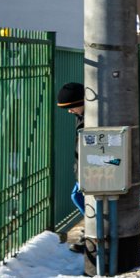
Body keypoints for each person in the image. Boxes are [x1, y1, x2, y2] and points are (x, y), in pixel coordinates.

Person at [56, 82, 87, 233]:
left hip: (88, 167)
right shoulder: (80, 115)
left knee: (77, 195)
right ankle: (93, 225)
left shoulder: (88, 118)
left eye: (71, 107)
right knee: (78, 196)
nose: (70, 111)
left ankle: (94, 226)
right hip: (83, 166)